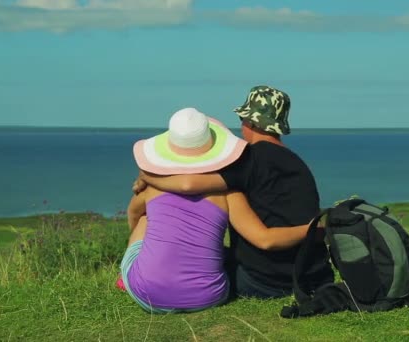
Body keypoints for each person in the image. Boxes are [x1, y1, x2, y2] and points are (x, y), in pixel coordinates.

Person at [136, 86, 334, 298]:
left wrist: (147, 178)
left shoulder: (250, 158)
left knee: (209, 258)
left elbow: (188, 185)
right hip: (312, 275)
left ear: (252, 123)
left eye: (242, 120)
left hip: (266, 282)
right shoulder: (297, 163)